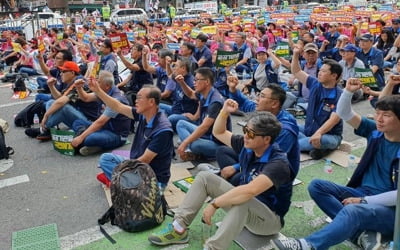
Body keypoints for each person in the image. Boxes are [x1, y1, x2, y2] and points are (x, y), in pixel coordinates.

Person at [271, 77, 400, 250]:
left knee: (353, 210)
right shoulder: (375, 132)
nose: (379, 119)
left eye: (386, 115)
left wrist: (364, 201)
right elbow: (345, 114)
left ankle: (307, 245)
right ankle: (360, 233)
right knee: (316, 186)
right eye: (377, 113)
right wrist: (347, 91)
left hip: (392, 210)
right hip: (364, 192)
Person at [148, 107, 294, 249]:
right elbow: (219, 132)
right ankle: (178, 228)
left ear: (266, 139)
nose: (245, 136)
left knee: (243, 198)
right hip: (247, 209)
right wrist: (224, 111)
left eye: (250, 133)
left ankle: (213, 247)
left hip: (269, 221)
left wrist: (214, 204)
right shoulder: (248, 146)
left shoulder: (278, 163)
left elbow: (248, 191)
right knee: (205, 177)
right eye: (244, 130)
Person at [90, 83, 174, 189]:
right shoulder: (144, 114)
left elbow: (144, 161)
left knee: (117, 170)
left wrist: (121, 169)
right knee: (105, 159)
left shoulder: (162, 130)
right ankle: (120, 181)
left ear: (151, 102)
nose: (135, 101)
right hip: (137, 165)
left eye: (139, 98)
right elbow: (118, 106)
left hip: (152, 179)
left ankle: (118, 182)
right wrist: (97, 90)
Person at [218, 81, 300, 186]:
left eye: (262, 96)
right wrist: (233, 90)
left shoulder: (285, 130)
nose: (257, 99)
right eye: (258, 95)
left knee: (236, 178)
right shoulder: (265, 112)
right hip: (256, 155)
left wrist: (236, 167)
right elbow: (245, 103)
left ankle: (239, 182)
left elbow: (272, 159)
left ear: (274, 103)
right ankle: (237, 181)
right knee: (222, 151)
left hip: (273, 170)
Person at [291, 44, 343, 160]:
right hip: (309, 130)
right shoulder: (315, 84)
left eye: (323, 71)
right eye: (320, 70)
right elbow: (296, 71)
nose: (319, 73)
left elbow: (333, 120)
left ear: (334, 76)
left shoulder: (339, 95)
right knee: (287, 126)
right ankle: (318, 148)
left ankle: (311, 145)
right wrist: (295, 54)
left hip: (329, 135)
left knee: (318, 140)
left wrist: (319, 133)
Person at [30, 61, 101, 140]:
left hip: (88, 122)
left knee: (63, 108)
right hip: (79, 116)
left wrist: (46, 115)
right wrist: (51, 86)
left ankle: (44, 128)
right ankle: (48, 128)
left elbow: (61, 102)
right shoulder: (71, 83)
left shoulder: (80, 82)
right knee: (51, 102)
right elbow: (59, 98)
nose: (61, 74)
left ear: (72, 72)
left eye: (63, 72)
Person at [175, 67, 231, 161]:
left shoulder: (215, 102)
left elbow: (204, 127)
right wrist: (182, 82)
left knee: (194, 144)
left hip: (217, 142)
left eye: (197, 80)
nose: (194, 83)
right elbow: (190, 94)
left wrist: (185, 142)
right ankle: (190, 151)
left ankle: (195, 152)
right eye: (194, 80)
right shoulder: (204, 92)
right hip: (206, 134)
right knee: (180, 123)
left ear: (207, 82)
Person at [70, 71, 131, 156]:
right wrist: (79, 88)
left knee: (90, 138)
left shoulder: (115, 100)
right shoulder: (104, 91)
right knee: (77, 122)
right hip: (103, 127)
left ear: (107, 86)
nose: (95, 83)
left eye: (98, 82)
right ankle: (88, 141)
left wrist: (81, 137)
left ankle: (95, 145)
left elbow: (100, 122)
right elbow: (86, 98)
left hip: (116, 134)